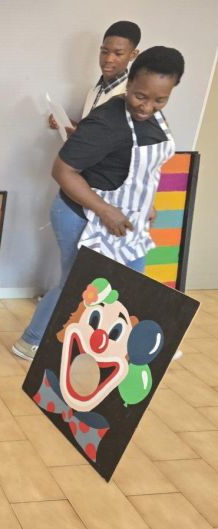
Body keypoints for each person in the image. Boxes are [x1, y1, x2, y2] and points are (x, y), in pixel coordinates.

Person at [14, 46, 184, 361]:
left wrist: (147, 203)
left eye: (160, 100)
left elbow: (143, 170)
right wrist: (106, 212)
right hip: (82, 214)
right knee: (76, 285)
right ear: (130, 82)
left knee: (134, 280)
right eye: (140, 96)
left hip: (126, 215)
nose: (147, 107)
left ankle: (145, 344)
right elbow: (62, 171)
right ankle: (30, 341)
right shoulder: (107, 122)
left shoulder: (154, 120)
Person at [50, 21, 141, 136]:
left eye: (118, 54)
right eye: (104, 51)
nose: (108, 59)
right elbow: (93, 133)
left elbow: (119, 146)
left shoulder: (131, 98)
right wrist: (67, 124)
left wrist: (78, 133)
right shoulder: (93, 91)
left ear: (133, 55)